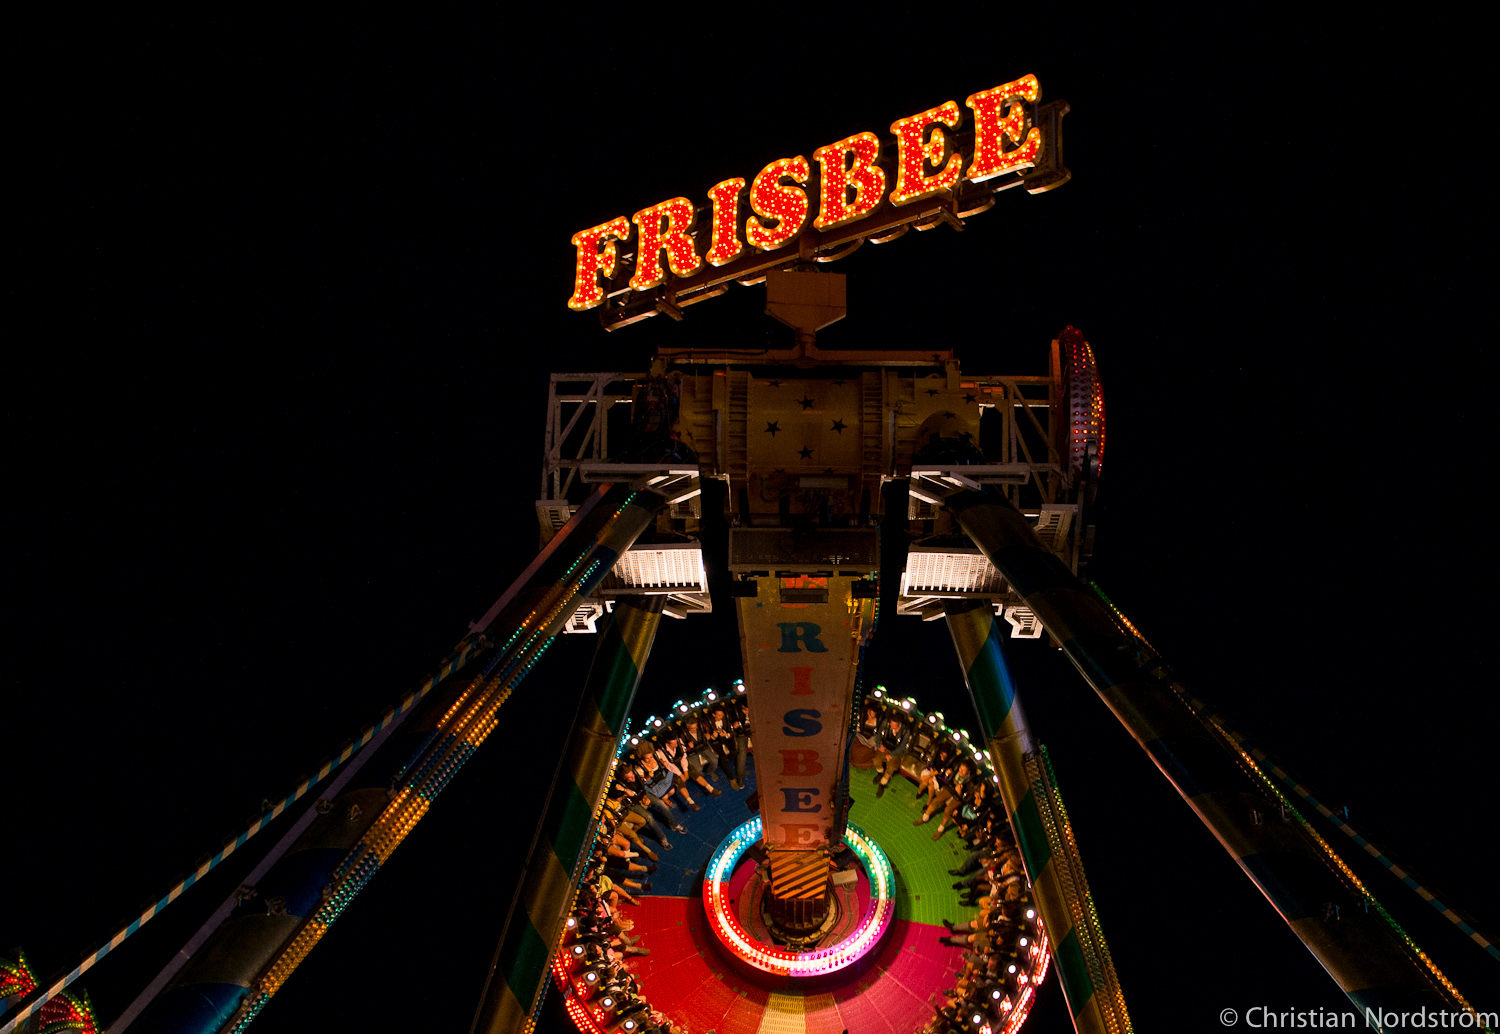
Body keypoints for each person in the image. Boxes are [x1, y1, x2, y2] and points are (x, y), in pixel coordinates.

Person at [873, 714, 912, 797]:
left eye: (894, 725)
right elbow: (879, 732)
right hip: (885, 746)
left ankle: (882, 784)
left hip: (896, 751)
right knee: (876, 759)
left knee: (891, 767)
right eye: (891, 724)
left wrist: (892, 755)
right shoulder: (886, 723)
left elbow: (902, 746)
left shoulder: (906, 731)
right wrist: (879, 744)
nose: (891, 726)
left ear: (899, 724)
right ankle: (880, 772)